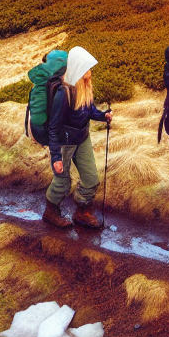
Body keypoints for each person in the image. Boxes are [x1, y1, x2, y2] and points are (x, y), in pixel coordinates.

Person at [43, 47, 113, 230]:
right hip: (64, 141)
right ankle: (51, 211)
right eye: (87, 68)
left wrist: (103, 116)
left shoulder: (85, 87)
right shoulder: (63, 93)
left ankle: (82, 210)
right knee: (62, 180)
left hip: (82, 137)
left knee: (91, 179)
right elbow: (53, 127)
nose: (90, 71)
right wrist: (56, 158)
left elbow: (88, 110)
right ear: (79, 69)